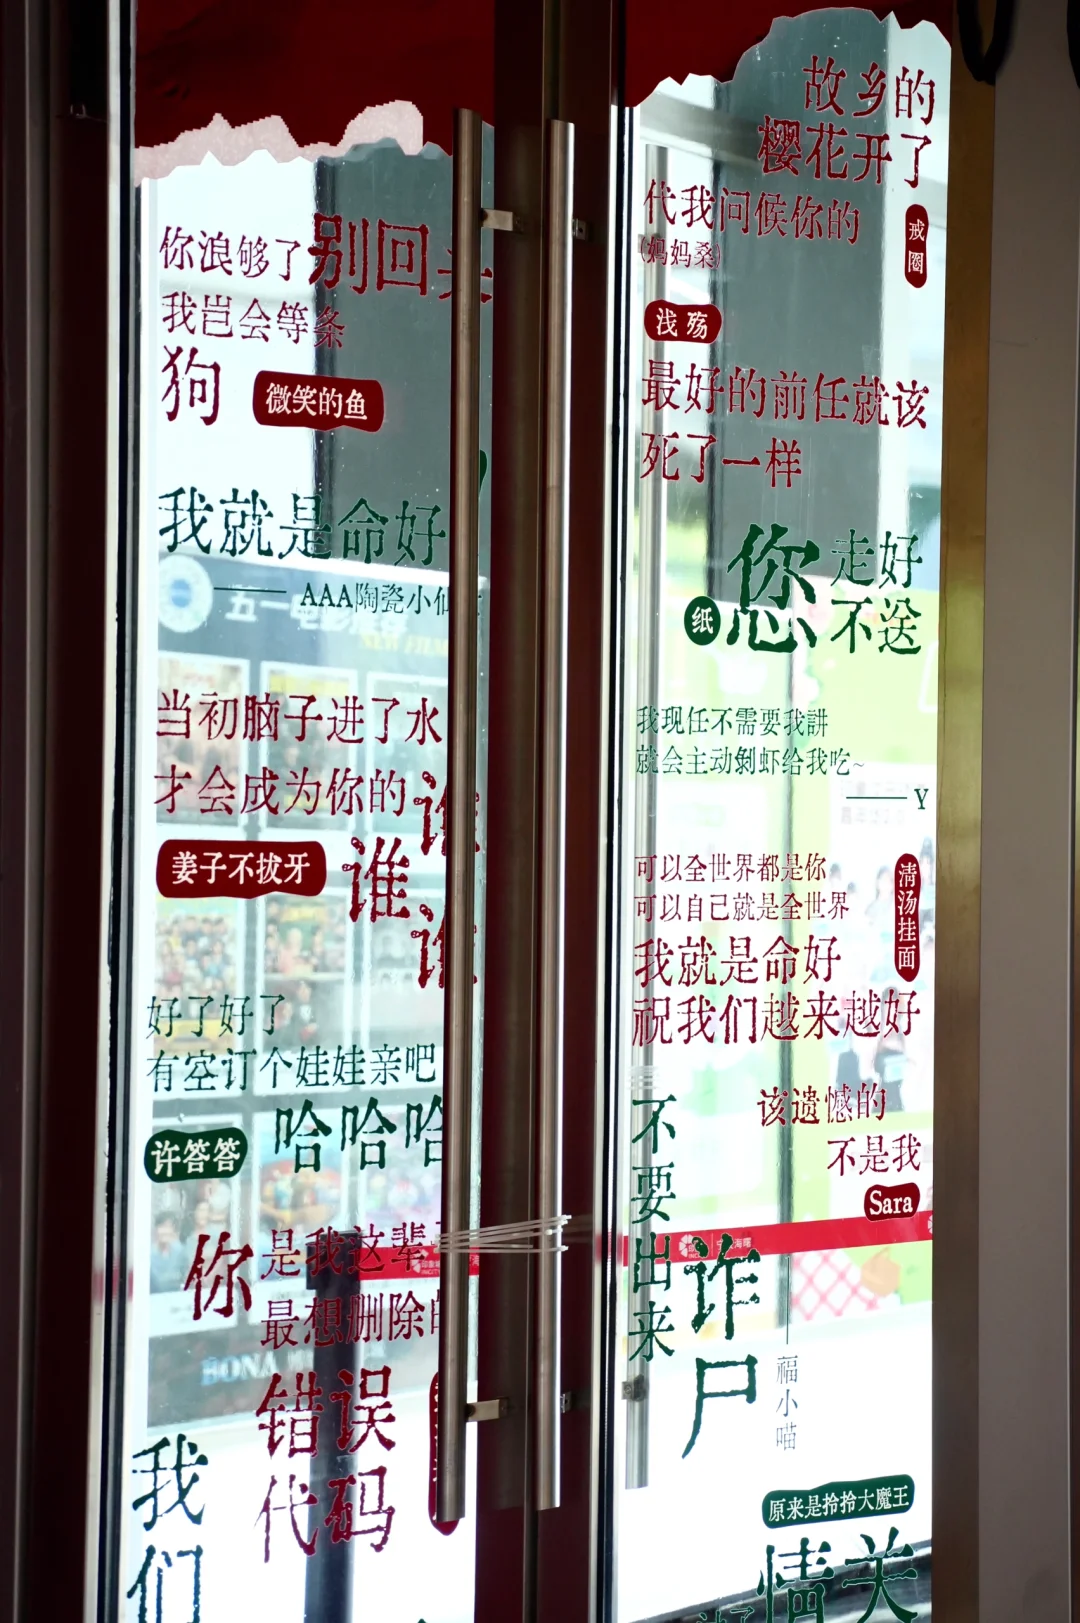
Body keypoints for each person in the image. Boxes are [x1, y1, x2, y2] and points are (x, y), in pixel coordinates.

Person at [149, 1211, 189, 1294]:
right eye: (162, 1227)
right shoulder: (148, 1254)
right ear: (156, 1229)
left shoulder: (180, 1252)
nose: (165, 1231)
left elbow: (185, 1279)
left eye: (168, 1227)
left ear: (173, 1230)